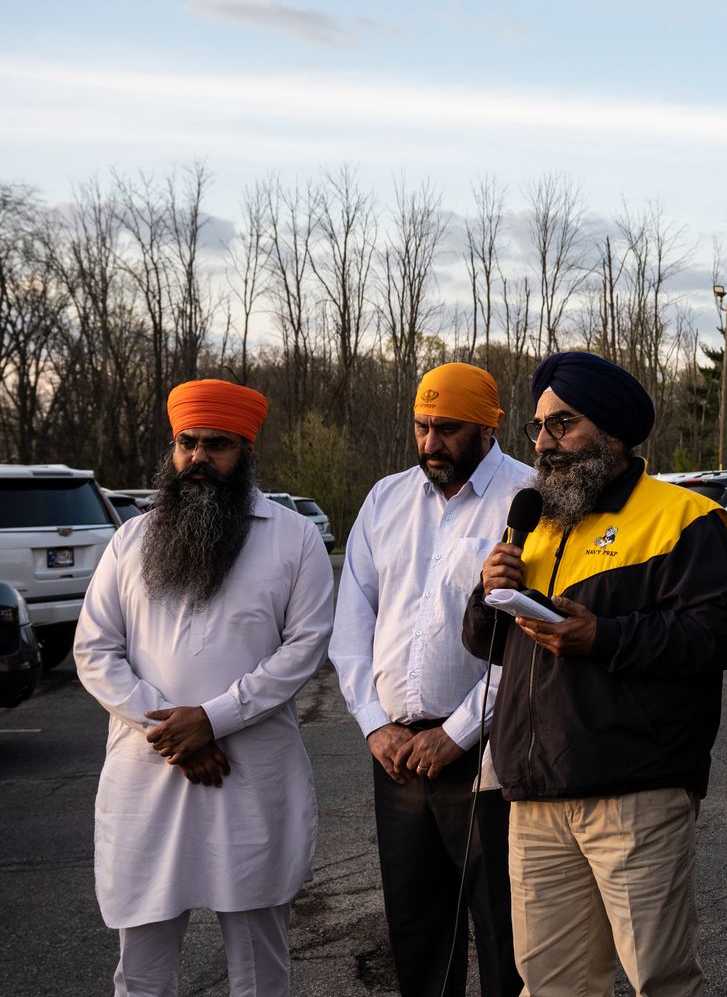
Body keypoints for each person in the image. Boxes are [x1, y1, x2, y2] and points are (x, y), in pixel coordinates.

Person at [463, 351, 727, 997]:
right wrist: (487, 593)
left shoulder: (683, 518)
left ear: (611, 434)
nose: (543, 443)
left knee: (661, 983)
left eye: (561, 425)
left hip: (634, 797)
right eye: (538, 427)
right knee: (550, 987)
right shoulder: (534, 522)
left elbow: (718, 635)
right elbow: (484, 644)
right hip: (534, 801)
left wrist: (603, 637)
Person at [74, 379, 334, 997]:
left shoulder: (293, 537)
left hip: (249, 778)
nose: (197, 458)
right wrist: (172, 730)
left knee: (258, 964)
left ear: (245, 450)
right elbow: (94, 649)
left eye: (216, 445)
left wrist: (212, 719)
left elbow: (305, 649)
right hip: (149, 776)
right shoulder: (131, 540)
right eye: (186, 443)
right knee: (142, 966)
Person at [331, 363, 530, 997]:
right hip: (395, 759)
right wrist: (374, 726)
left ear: (485, 426)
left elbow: (528, 645)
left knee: (504, 939)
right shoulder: (386, 499)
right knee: (417, 938)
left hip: (489, 757)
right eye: (421, 426)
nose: (429, 443)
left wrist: (459, 732)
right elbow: (351, 623)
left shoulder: (526, 500)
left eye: (446, 429)